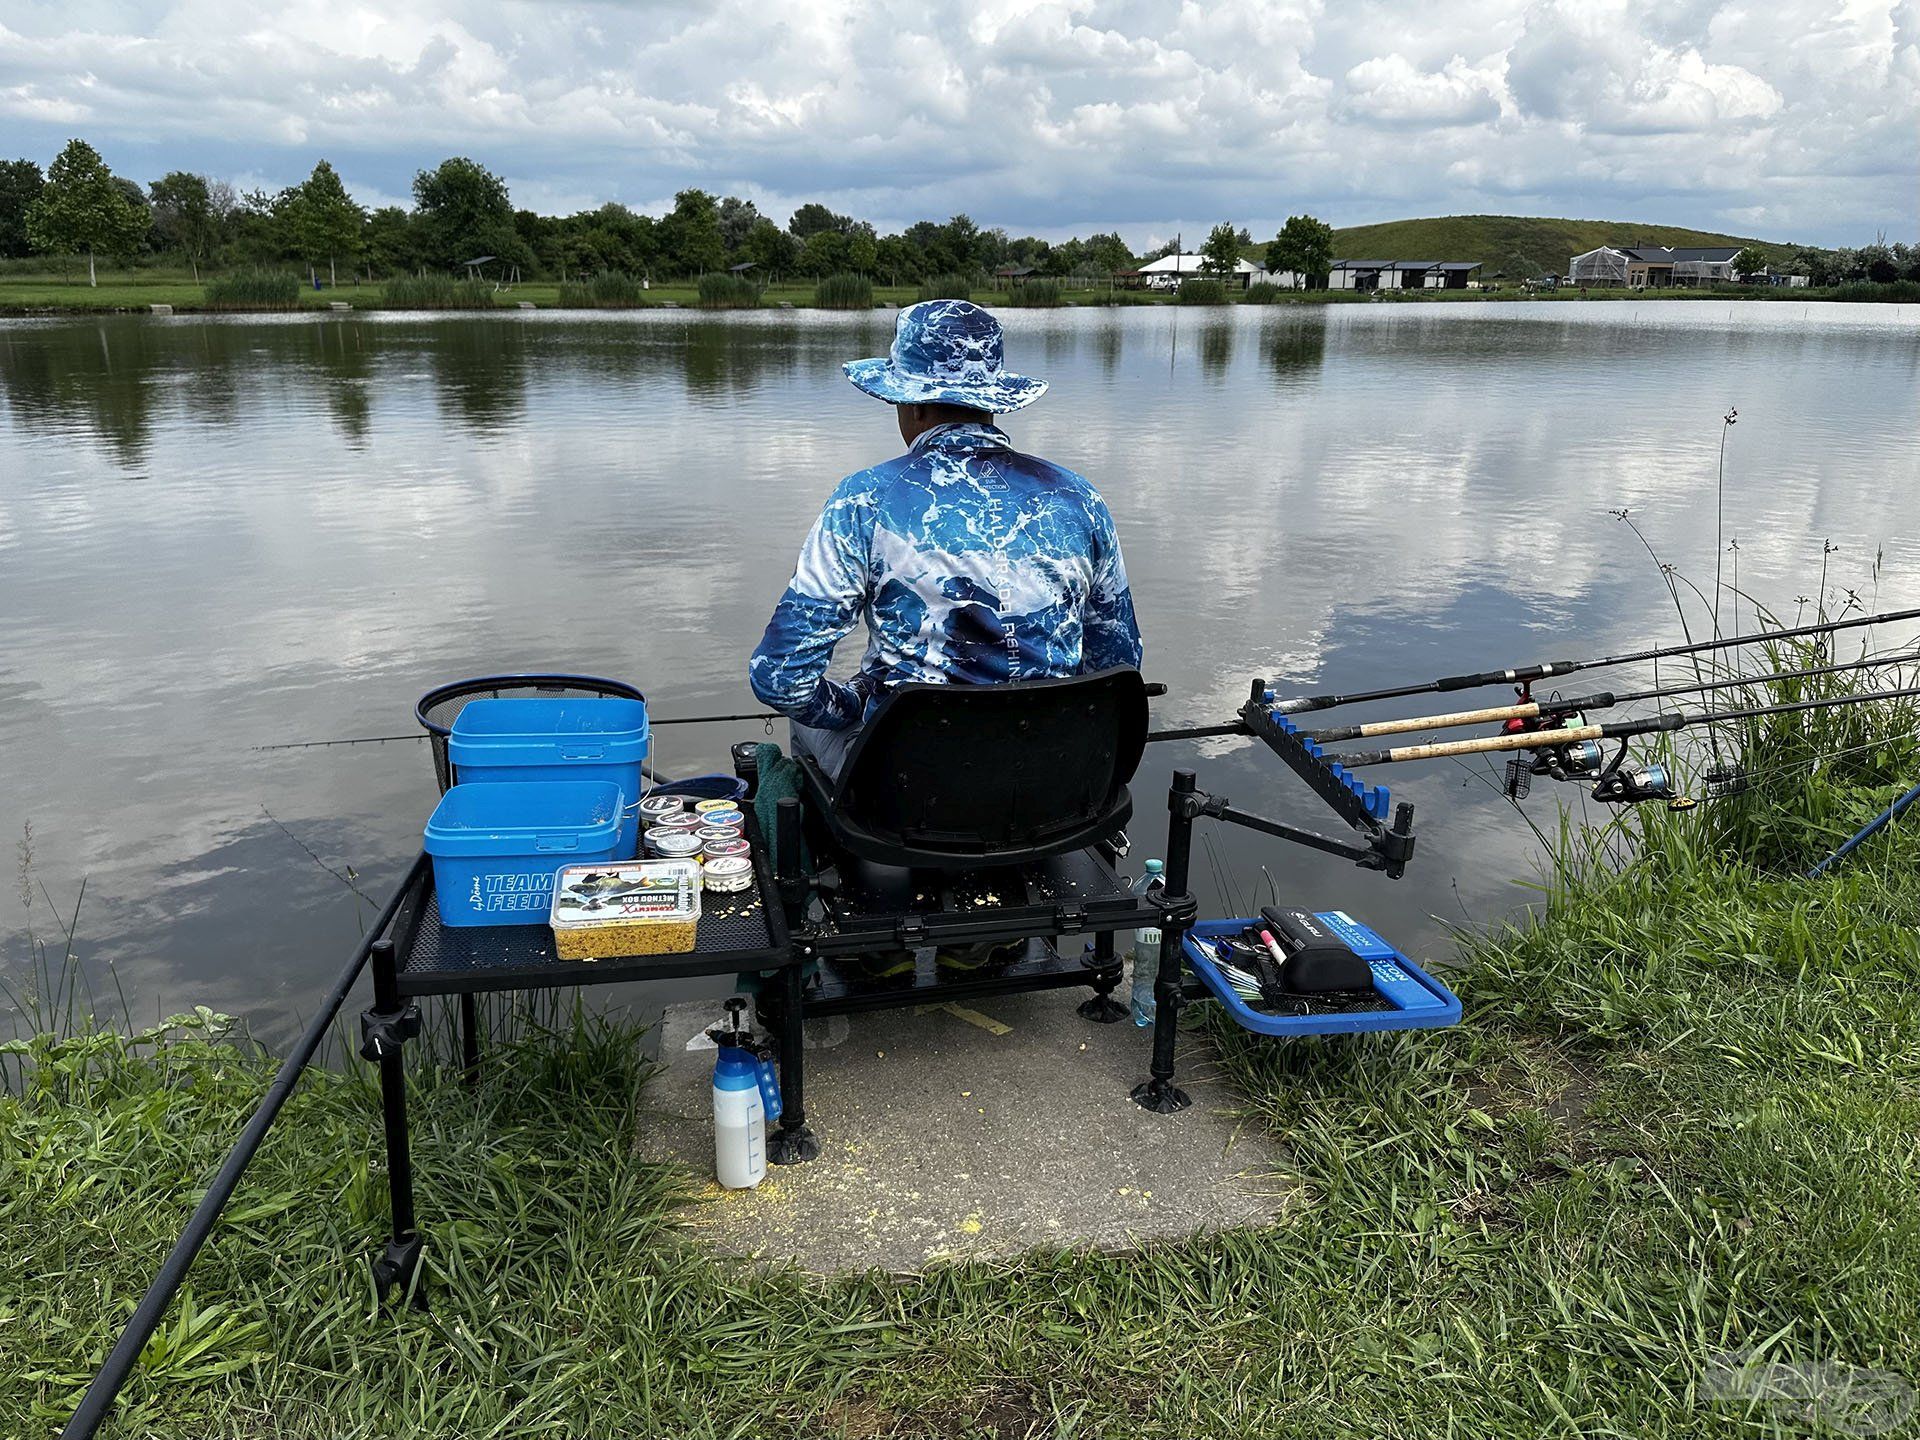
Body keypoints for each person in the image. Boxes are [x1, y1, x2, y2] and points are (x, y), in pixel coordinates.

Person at [749, 299, 1144, 783]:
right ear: (992, 403)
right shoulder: (1079, 498)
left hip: (910, 788)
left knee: (801, 719)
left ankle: (820, 844)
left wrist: (855, 703)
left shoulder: (865, 500)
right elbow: (1118, 663)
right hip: (1053, 775)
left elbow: (781, 679)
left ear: (911, 403)